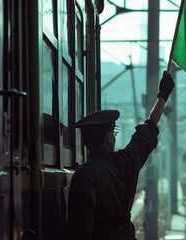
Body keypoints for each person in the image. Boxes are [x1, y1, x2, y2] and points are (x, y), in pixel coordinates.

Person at [66, 71, 174, 240]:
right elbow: (149, 127)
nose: (114, 137)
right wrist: (162, 96)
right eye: (114, 133)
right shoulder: (126, 162)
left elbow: (79, 228)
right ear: (108, 138)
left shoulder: (84, 176)